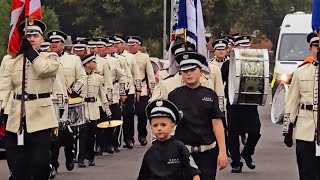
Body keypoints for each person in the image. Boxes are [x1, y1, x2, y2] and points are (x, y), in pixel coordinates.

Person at [0, 19, 60, 180]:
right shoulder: (12, 60)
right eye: (27, 36)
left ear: (42, 39)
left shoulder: (51, 57)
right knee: (16, 163)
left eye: (35, 36)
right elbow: (5, 86)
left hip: (41, 118)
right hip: (16, 117)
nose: (31, 39)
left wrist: (32, 54)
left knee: (39, 163)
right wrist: (3, 109)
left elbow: (44, 70)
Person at [168, 52, 228, 180]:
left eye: (192, 70)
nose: (189, 74)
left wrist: (222, 151)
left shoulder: (210, 95)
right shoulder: (174, 96)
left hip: (207, 153)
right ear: (180, 74)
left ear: (201, 72)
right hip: (183, 153)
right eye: (185, 71)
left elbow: (217, 124)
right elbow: (169, 125)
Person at [48, 30, 86, 175]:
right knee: (53, 136)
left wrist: (75, 90)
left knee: (68, 134)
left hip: (68, 101)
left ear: (63, 44)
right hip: (51, 102)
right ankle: (53, 164)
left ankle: (70, 154)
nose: (53, 44)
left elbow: (82, 78)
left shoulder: (73, 60)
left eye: (57, 42)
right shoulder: (44, 58)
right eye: (51, 42)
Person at [221, 35, 261, 173]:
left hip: (250, 103)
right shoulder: (228, 64)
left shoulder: (256, 62)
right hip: (234, 104)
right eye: (242, 46)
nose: (245, 49)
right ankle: (236, 162)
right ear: (235, 48)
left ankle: (247, 152)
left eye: (247, 46)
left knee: (255, 132)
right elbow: (221, 83)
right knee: (233, 134)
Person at [283, 32, 320, 180]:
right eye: (316, 46)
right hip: (305, 128)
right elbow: (292, 101)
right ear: (310, 49)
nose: (319, 49)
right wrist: (287, 129)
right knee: (305, 170)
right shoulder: (301, 71)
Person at [137, 99, 201, 180]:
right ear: (151, 128)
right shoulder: (150, 152)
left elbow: (192, 170)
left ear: (172, 126)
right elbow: (143, 176)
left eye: (163, 125)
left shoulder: (179, 147)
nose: (159, 128)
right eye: (155, 125)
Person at [78, 54, 110, 167]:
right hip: (82, 108)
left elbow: (102, 95)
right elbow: (74, 93)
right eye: (93, 62)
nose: (95, 64)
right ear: (87, 64)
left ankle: (91, 157)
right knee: (82, 134)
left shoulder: (98, 78)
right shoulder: (80, 77)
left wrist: (108, 111)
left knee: (92, 136)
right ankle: (80, 158)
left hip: (94, 109)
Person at [112, 34, 142, 149]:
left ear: (122, 44)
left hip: (129, 89)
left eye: (117, 43)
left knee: (128, 114)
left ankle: (128, 138)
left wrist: (138, 89)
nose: (115, 46)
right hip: (115, 89)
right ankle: (115, 140)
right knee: (116, 116)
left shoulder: (129, 57)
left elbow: (136, 74)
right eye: (113, 44)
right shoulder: (111, 58)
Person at [127, 36, 156, 146]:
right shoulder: (124, 56)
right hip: (128, 88)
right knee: (128, 114)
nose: (130, 47)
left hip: (142, 88)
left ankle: (142, 135)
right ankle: (128, 138)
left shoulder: (144, 57)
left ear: (139, 46)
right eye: (129, 45)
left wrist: (152, 91)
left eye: (133, 45)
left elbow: (150, 75)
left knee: (142, 113)